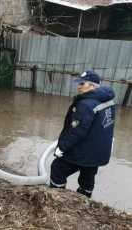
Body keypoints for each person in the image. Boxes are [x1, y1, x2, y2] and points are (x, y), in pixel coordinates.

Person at [50, 70, 116, 198]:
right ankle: (84, 202)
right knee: (87, 178)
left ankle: (57, 198)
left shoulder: (86, 104)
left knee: (58, 168)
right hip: (98, 151)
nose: (78, 86)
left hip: (84, 151)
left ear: (92, 86)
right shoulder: (109, 100)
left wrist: (62, 148)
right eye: (79, 83)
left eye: (82, 84)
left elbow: (77, 131)